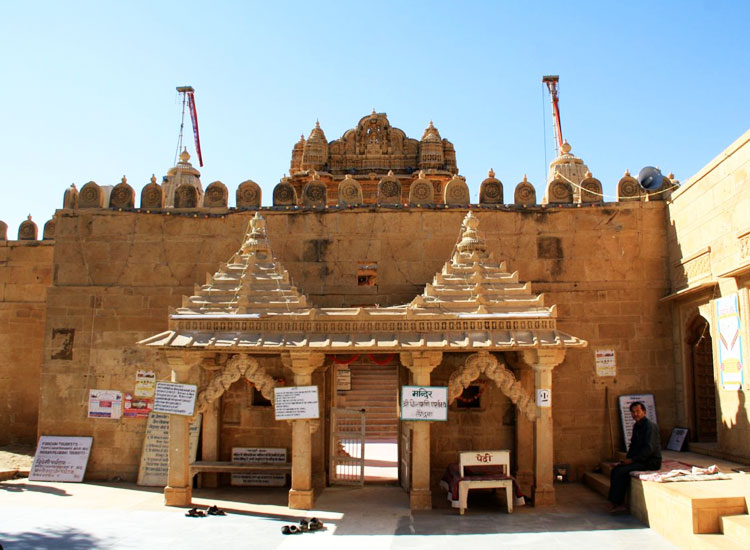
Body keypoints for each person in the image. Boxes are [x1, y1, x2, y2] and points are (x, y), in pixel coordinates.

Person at [608, 401, 662, 513]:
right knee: (616, 469)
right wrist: (626, 460)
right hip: (639, 459)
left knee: (620, 472)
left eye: (638, 411)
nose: (635, 414)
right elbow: (633, 446)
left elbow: (649, 449)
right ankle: (615, 502)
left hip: (650, 461)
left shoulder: (649, 427)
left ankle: (619, 504)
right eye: (633, 412)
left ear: (644, 412)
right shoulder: (637, 426)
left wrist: (632, 460)